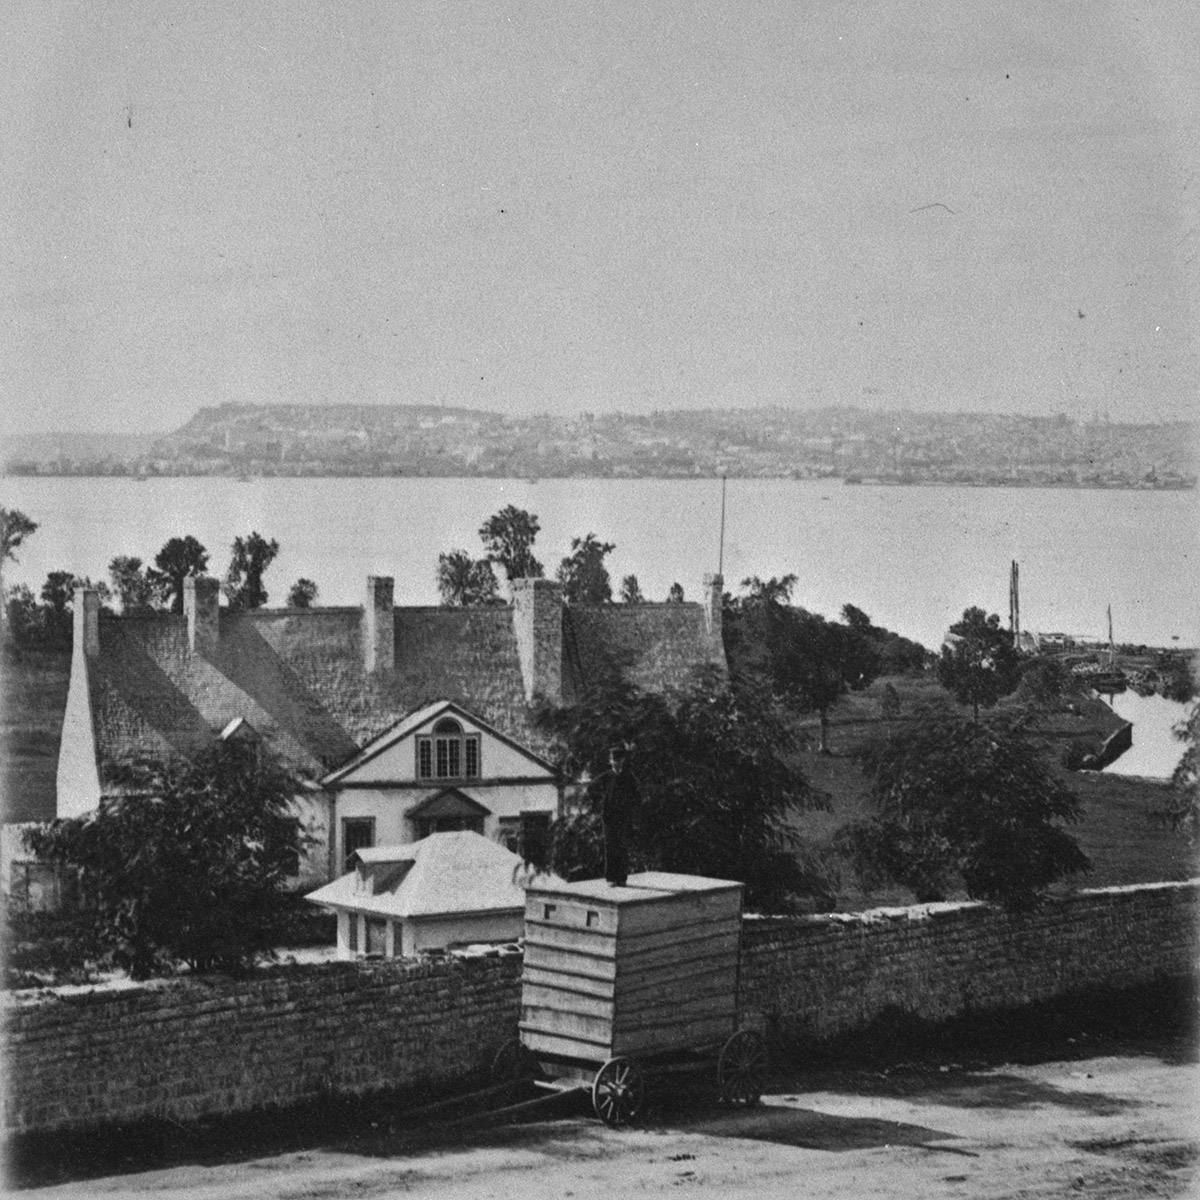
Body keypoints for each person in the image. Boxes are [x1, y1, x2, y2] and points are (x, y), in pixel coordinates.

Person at [599, 744, 640, 886]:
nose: (616, 763)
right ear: (610, 761)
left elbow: (636, 796)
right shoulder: (606, 777)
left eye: (619, 760)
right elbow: (592, 789)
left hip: (624, 818)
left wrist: (631, 811)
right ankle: (611, 878)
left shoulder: (629, 778)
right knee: (610, 846)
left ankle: (622, 878)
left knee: (622, 847)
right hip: (609, 819)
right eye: (613, 760)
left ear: (623, 761)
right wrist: (602, 802)